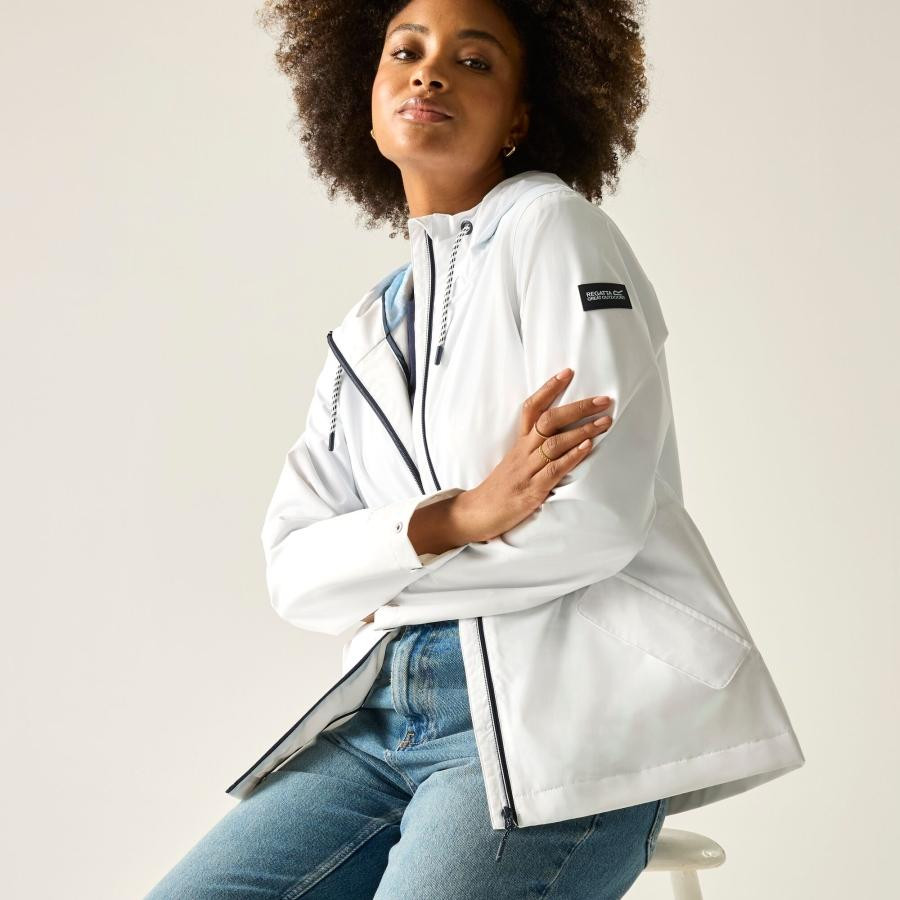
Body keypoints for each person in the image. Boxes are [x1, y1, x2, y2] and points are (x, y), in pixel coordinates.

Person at [146, 0, 805, 897]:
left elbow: (596, 522)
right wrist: (456, 517)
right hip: (381, 718)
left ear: (521, 116)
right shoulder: (366, 331)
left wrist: (380, 583)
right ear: (364, 102)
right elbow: (293, 574)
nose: (429, 71)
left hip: (558, 720)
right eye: (405, 51)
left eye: (475, 60)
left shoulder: (554, 228)